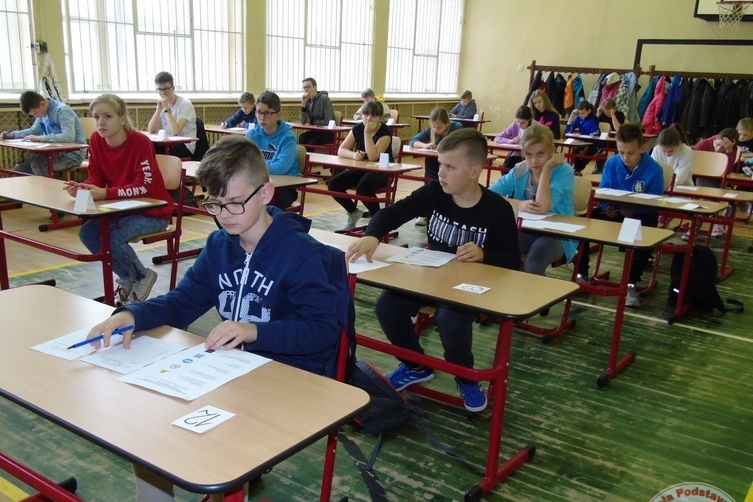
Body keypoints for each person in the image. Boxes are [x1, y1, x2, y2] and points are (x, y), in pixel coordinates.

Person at [85, 134, 347, 502]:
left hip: (289, 374)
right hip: (232, 369)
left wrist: (254, 331)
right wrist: (132, 314)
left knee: (190, 436)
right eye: (214, 204)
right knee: (146, 424)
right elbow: (183, 302)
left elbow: (322, 331)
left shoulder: (302, 255)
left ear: (266, 193)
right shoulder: (219, 245)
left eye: (235, 204)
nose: (224, 216)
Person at [345, 128, 520, 413]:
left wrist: (485, 254)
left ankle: (466, 377)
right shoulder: (435, 192)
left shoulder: (497, 209)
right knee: (387, 305)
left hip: (469, 288)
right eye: (440, 165)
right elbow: (392, 213)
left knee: (450, 319)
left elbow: (513, 261)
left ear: (475, 171)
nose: (441, 173)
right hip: (430, 278)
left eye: (450, 167)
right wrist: (372, 235)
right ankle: (416, 365)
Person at [63, 94, 173, 305]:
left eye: (108, 116)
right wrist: (85, 187)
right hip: (122, 209)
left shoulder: (140, 142)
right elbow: (96, 175)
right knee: (88, 233)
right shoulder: (96, 140)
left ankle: (142, 276)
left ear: (122, 119)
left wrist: (106, 193)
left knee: (113, 237)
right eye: (96, 117)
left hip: (154, 211)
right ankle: (127, 277)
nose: (100, 122)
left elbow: (145, 186)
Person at [576, 124, 664, 308]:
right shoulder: (611, 163)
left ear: (642, 148)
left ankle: (631, 284)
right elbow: (603, 193)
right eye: (621, 152)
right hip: (615, 212)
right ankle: (581, 274)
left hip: (640, 215)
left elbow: (655, 205)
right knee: (584, 223)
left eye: (630, 153)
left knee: (646, 232)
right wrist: (606, 207)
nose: (625, 158)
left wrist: (634, 211)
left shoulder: (654, 170)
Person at [489, 124, 576, 276]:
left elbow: (542, 207)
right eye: (529, 155)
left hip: (557, 234)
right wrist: (519, 204)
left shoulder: (564, 171)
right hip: (527, 229)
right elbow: (490, 195)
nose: (534, 161)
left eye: (540, 154)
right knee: (497, 251)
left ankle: (535, 289)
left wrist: (547, 169)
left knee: (534, 263)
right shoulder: (520, 169)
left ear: (552, 150)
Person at [329, 100, 393, 231]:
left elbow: (373, 156)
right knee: (334, 184)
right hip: (362, 169)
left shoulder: (385, 132)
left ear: (381, 117)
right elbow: (341, 150)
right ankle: (353, 212)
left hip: (382, 172)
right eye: (366, 114)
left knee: (363, 188)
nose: (369, 118)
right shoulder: (357, 128)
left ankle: (378, 220)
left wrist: (367, 133)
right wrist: (354, 155)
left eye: (374, 115)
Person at [0, 91, 86, 175]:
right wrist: (13, 135)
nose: (36, 116)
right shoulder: (42, 112)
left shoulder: (62, 110)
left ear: (42, 104)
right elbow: (34, 130)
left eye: (36, 113)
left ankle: (49, 184)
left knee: (37, 165)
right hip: (55, 153)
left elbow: (68, 136)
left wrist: (40, 138)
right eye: (33, 115)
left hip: (73, 154)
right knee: (20, 168)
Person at [245, 91, 299, 209]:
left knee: (257, 203)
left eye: (268, 113)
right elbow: (243, 161)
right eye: (259, 112)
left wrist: (255, 166)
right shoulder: (251, 135)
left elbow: (280, 168)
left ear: (279, 115)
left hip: (284, 188)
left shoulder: (288, 137)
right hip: (258, 183)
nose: (262, 117)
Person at [693, 127, 740, 237]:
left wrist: (729, 151)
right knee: (707, 191)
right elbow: (694, 162)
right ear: (715, 140)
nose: (718, 149)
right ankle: (715, 221)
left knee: (714, 195)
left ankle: (697, 226)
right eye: (718, 144)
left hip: (719, 181)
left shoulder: (732, 149)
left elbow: (727, 171)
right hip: (701, 177)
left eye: (723, 147)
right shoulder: (704, 144)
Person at [147, 71, 197, 159]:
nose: (163, 93)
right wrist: (159, 109)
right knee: (148, 147)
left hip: (185, 146)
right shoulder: (162, 105)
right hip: (168, 142)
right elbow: (151, 129)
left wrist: (167, 108)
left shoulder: (185, 104)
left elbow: (175, 131)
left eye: (166, 89)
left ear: (173, 88)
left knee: (157, 152)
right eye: (160, 90)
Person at [493, 105, 538, 170]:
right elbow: (498, 138)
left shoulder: (537, 126)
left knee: (526, 169)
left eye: (523, 123)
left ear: (529, 119)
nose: (519, 125)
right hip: (516, 153)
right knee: (505, 168)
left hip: (531, 155)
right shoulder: (514, 125)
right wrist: (511, 141)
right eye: (517, 122)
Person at [565, 101, 601, 174]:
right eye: (579, 113)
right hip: (583, 143)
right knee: (575, 149)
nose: (581, 115)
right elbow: (568, 130)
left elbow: (593, 138)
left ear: (589, 111)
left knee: (588, 153)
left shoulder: (593, 120)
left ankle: (577, 170)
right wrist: (572, 115)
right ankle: (577, 170)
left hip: (595, 144)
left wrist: (584, 150)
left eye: (583, 113)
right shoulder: (579, 119)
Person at [298, 77, 335, 148]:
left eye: (308, 87)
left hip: (328, 133)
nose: (306, 89)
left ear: (315, 87)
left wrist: (312, 122)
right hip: (315, 131)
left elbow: (328, 121)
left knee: (312, 142)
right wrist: (303, 105)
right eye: (304, 88)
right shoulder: (307, 101)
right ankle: (303, 155)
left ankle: (308, 155)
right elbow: (303, 121)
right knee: (302, 137)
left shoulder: (324, 99)